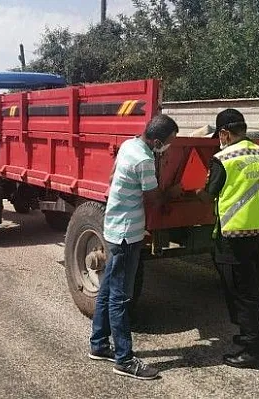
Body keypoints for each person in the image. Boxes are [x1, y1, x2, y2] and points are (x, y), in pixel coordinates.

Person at [89, 114, 182, 380]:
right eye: (168, 143)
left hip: (114, 227)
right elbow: (154, 198)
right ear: (156, 141)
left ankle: (98, 344)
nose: (169, 147)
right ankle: (124, 360)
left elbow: (110, 176)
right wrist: (173, 192)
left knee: (107, 289)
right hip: (126, 236)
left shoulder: (130, 145)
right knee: (119, 297)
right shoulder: (143, 160)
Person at [194, 109, 259, 370]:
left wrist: (193, 191)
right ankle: (257, 336)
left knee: (242, 294)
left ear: (224, 133)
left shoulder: (224, 158)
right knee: (250, 288)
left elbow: (208, 196)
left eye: (220, 135)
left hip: (234, 235)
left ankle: (254, 352)